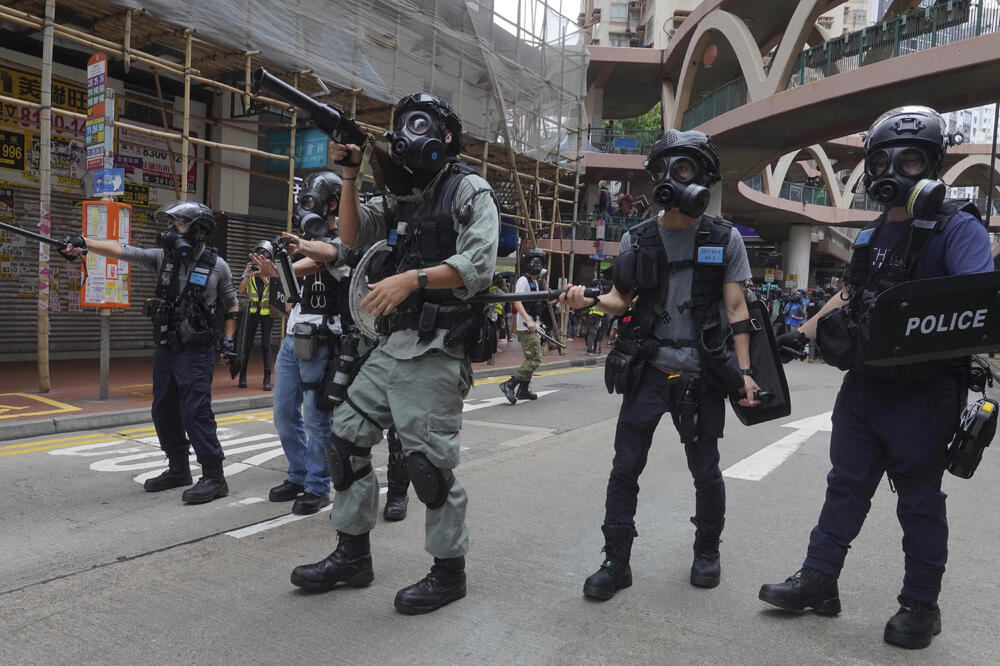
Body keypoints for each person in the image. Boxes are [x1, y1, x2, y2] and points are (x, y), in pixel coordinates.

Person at [760, 106, 995, 650]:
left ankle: (921, 606)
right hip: (864, 386)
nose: (898, 170)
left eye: (912, 159)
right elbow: (852, 294)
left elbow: (977, 302)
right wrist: (804, 331)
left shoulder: (958, 229)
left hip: (925, 391)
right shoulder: (868, 238)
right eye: (886, 160)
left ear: (933, 165)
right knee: (845, 485)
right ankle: (820, 581)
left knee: (918, 498)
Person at [289, 92, 499, 615]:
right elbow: (352, 235)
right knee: (344, 443)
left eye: (419, 123)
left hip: (438, 346)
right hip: (391, 344)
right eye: (401, 125)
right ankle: (352, 556)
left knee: (428, 467)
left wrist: (412, 278)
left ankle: (449, 572)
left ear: (446, 136)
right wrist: (352, 176)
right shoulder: (401, 197)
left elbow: (478, 266)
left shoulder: (469, 191)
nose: (406, 133)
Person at [561, 129, 760, 601]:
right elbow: (618, 299)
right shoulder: (637, 237)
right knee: (625, 468)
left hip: (703, 373)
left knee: (706, 471)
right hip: (648, 369)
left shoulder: (724, 237)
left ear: (704, 176)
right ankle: (616, 562)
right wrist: (584, 300)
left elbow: (737, 311)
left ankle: (707, 550)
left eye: (686, 168)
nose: (674, 178)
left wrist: (746, 373)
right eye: (667, 168)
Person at [61, 201, 239, 504]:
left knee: (195, 411)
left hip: (196, 351)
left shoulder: (217, 267)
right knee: (163, 409)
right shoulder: (163, 258)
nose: (171, 230)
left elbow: (232, 305)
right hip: (167, 347)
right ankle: (179, 468)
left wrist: (230, 341)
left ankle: (214, 476)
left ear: (200, 231)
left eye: (179, 225)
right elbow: (123, 251)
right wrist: (83, 243)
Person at [250, 171, 354, 516]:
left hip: (323, 342)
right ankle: (297, 476)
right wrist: (275, 268)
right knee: (282, 414)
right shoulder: (301, 249)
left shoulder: (343, 242)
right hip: (295, 338)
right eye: (305, 200)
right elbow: (293, 284)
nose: (307, 207)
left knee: (316, 419)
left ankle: (317, 485)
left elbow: (322, 257)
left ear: (333, 204)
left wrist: (286, 262)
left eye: (314, 200)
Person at [500, 248, 547, 404]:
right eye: (533, 262)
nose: (536, 265)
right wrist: (528, 320)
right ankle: (510, 383)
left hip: (534, 325)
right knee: (535, 359)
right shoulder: (523, 281)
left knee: (530, 358)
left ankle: (523, 390)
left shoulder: (535, 282)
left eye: (539, 262)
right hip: (527, 326)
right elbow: (517, 300)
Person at [237, 261, 274, 390]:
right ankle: (242, 375)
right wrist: (247, 273)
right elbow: (241, 290)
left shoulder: (271, 271)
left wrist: (262, 276)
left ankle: (267, 378)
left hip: (267, 313)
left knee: (266, 345)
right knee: (247, 344)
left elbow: (274, 290)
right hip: (252, 312)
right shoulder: (249, 273)